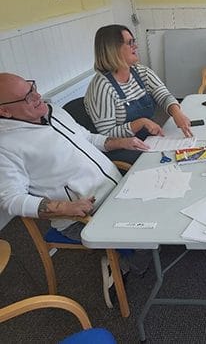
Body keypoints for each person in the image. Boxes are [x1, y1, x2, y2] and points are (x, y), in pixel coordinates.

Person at [0, 73, 150, 302]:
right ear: (5, 111)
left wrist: (120, 142)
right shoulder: (6, 146)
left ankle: (122, 253)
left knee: (158, 211)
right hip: (83, 214)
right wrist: (64, 207)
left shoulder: (53, 111)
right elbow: (11, 199)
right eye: (28, 97)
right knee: (147, 239)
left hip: (115, 189)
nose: (38, 96)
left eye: (33, 87)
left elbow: (87, 138)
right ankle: (118, 263)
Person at [84, 24, 192, 163]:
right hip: (121, 148)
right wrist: (140, 123)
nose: (135, 47)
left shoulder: (141, 72)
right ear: (113, 50)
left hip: (147, 137)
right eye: (130, 43)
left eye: (134, 42)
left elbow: (164, 96)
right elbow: (106, 136)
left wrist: (177, 113)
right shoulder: (101, 87)